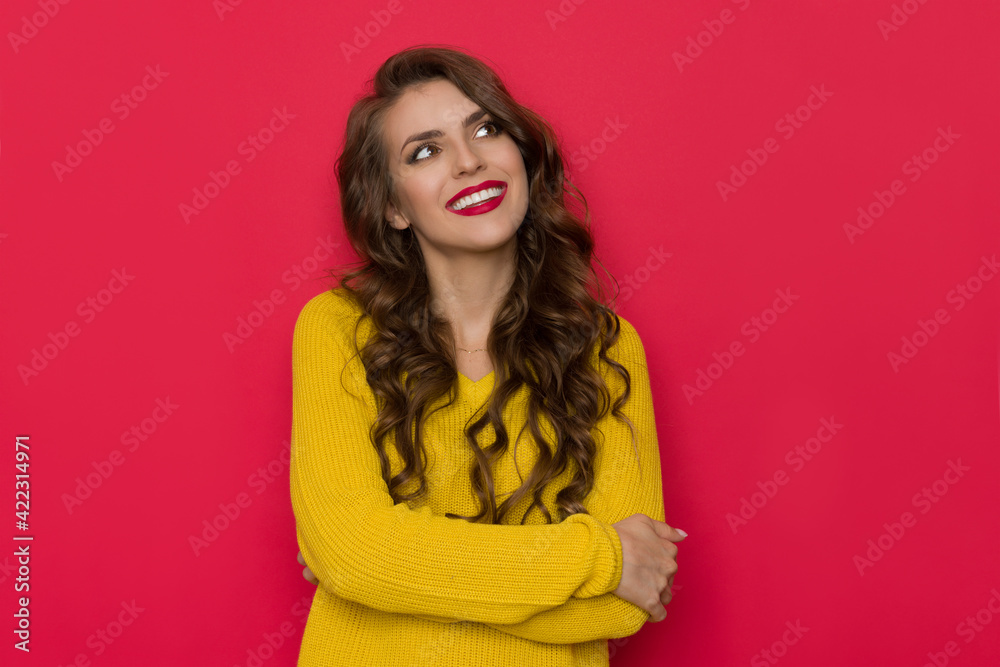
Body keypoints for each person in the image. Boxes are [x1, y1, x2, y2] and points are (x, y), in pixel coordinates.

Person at [289, 44, 686, 667]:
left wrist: (399, 574)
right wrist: (603, 558)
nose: (469, 162)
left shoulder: (606, 348)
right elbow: (354, 555)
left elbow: (627, 604)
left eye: (485, 129)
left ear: (520, 156)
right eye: (425, 150)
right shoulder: (338, 331)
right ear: (393, 206)